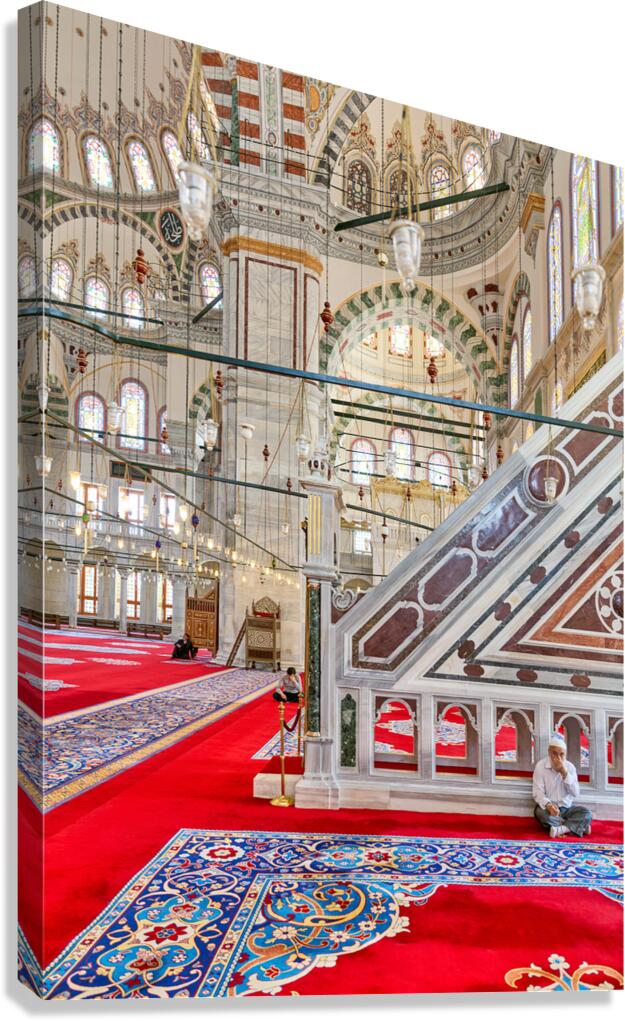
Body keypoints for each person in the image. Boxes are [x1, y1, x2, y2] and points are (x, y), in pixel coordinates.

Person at [532, 732, 592, 838]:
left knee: (587, 813)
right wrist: (549, 806)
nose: (558, 758)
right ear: (549, 753)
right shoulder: (540, 766)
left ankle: (560, 829)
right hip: (549, 808)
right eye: (554, 753)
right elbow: (538, 792)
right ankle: (578, 826)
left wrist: (564, 773)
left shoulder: (570, 767)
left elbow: (575, 793)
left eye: (561, 754)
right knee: (541, 814)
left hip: (567, 808)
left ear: (565, 754)